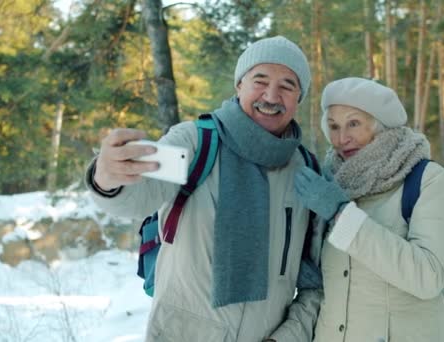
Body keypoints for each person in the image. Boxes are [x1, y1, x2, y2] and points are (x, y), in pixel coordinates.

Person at [85, 36, 323, 342]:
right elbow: (137, 197)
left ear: (299, 97)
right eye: (259, 80)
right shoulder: (196, 142)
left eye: (287, 86)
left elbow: (315, 281)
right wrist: (105, 176)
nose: (271, 95)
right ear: (239, 85)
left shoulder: (306, 170)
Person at [294, 77, 444, 341]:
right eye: (333, 126)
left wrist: (340, 213)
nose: (342, 138)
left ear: (381, 126)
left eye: (354, 124)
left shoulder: (426, 178)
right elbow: (319, 286)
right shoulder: (329, 182)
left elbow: (428, 277)